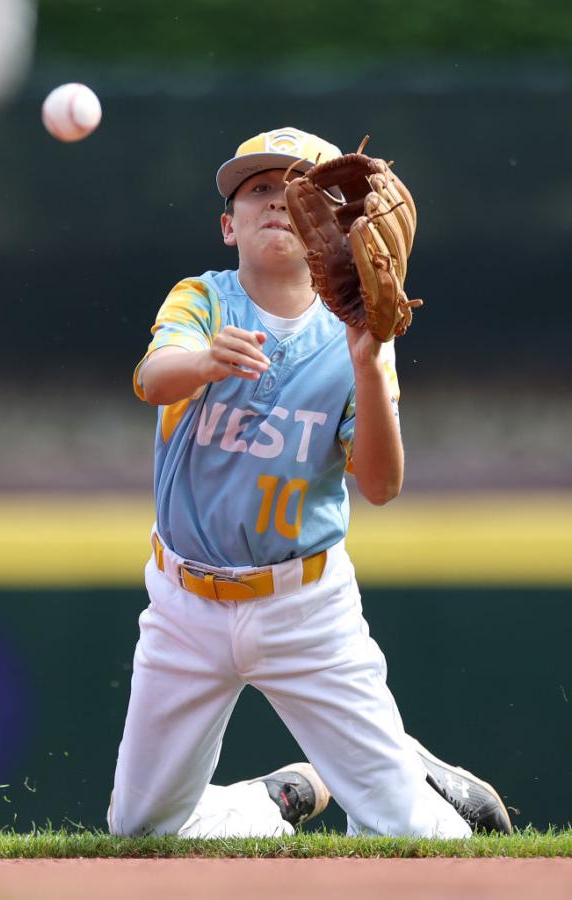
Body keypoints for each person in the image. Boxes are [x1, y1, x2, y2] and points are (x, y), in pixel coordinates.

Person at [108, 126, 512, 839]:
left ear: (339, 225)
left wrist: (366, 358)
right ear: (228, 224)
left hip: (306, 608)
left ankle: (411, 778)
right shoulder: (204, 299)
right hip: (183, 606)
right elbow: (151, 377)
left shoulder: (360, 333)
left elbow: (381, 487)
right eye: (259, 189)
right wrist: (203, 361)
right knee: (142, 833)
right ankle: (276, 799)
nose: (277, 202)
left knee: (412, 840)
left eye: (302, 191)